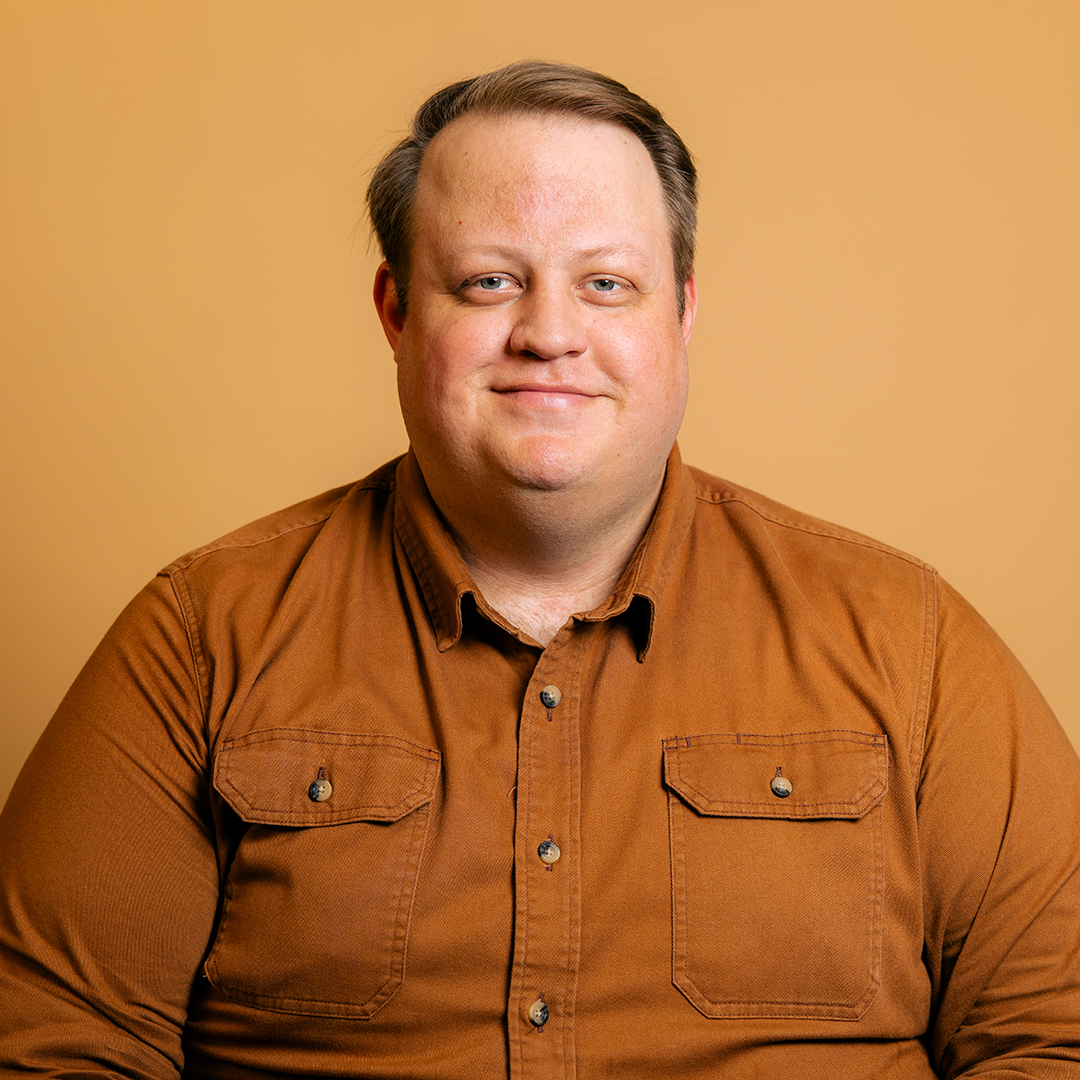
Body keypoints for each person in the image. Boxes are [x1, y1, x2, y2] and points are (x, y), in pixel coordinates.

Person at [1, 60, 1078, 1080]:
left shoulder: (908, 639)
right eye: (488, 282)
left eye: (606, 283)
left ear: (682, 311)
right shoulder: (202, 636)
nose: (549, 333)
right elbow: (50, 1044)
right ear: (396, 311)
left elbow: (1056, 1035)